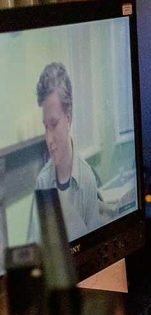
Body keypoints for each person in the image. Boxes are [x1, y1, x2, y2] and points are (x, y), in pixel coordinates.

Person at [32, 62, 103, 241]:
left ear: (68, 117)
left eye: (54, 124)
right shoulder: (42, 182)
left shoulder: (87, 179)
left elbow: (96, 244)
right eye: (45, 127)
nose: (48, 139)